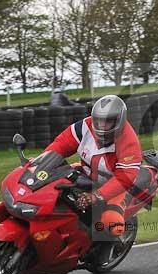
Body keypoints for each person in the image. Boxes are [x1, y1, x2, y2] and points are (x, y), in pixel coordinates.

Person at [41, 95, 142, 236]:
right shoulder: (83, 127)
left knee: (110, 222)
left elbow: (125, 177)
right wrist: (42, 161)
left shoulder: (129, 142)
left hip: (116, 185)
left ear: (119, 121)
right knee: (51, 190)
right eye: (99, 120)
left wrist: (97, 195)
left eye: (108, 121)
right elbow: (60, 145)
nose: (102, 125)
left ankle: (104, 250)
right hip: (87, 173)